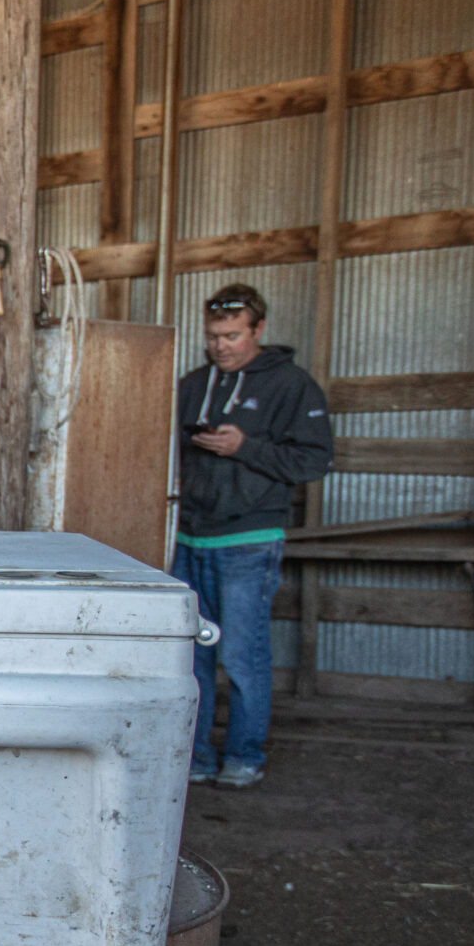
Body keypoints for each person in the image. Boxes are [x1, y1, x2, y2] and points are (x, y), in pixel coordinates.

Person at [173, 283, 332, 788]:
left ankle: (244, 755)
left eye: (233, 335)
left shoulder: (292, 385)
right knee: (189, 657)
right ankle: (194, 758)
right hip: (190, 538)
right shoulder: (192, 384)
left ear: (259, 329)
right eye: (214, 335)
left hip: (248, 540)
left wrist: (246, 447)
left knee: (242, 655)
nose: (222, 345)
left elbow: (315, 459)